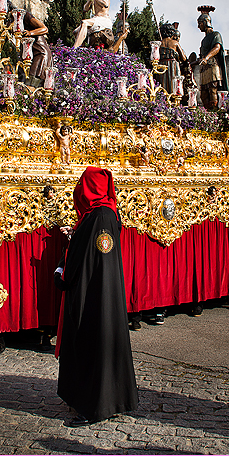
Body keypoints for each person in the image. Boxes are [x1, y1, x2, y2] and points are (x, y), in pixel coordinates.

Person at [54, 166, 138, 426]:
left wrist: (61, 274)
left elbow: (83, 257)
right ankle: (103, 399)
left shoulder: (97, 217)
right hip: (103, 291)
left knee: (91, 343)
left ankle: (93, 406)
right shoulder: (108, 213)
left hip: (91, 293)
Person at [192, 6, 228, 110]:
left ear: (206, 22)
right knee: (203, 93)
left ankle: (215, 112)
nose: (198, 26)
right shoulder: (203, 41)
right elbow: (201, 58)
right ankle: (208, 112)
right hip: (204, 68)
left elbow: (217, 47)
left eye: (200, 23)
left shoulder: (216, 34)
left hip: (212, 66)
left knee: (213, 90)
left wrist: (207, 58)